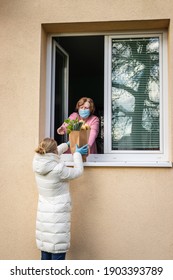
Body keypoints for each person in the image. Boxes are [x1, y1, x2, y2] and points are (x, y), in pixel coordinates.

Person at [32, 138, 88, 260]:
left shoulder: (37, 161)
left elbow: (53, 153)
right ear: (53, 152)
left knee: (46, 248)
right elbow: (78, 171)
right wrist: (77, 154)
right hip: (57, 215)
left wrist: (67, 145)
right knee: (57, 250)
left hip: (44, 213)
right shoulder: (58, 169)